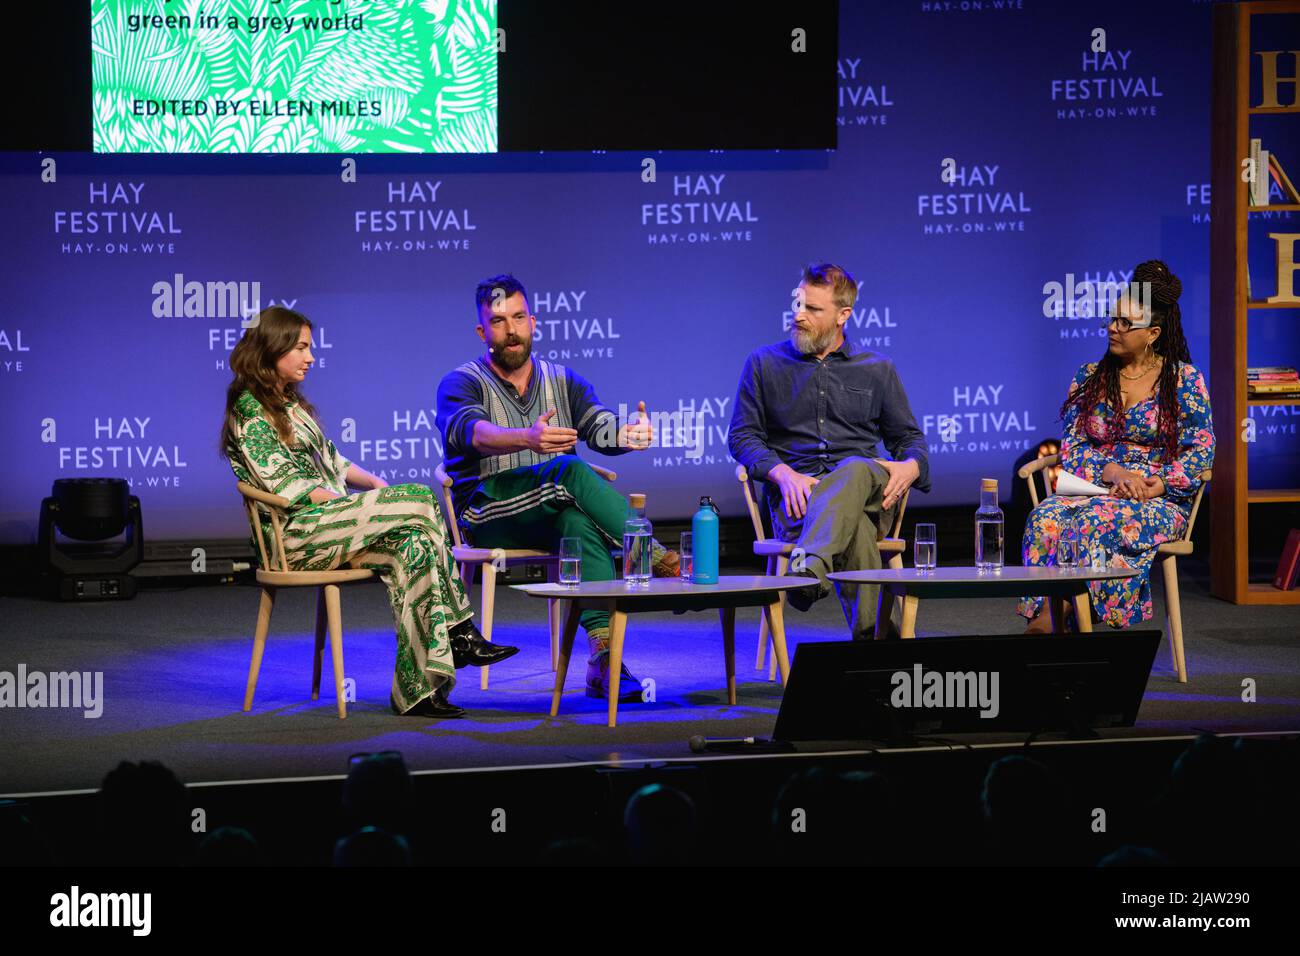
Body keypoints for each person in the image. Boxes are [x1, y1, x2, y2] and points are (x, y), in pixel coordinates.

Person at [220, 306, 514, 719]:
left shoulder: (289, 403)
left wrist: (375, 488)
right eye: (302, 347)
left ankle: (416, 693)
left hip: (330, 526)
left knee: (414, 544)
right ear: (274, 347)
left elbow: (333, 463)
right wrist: (361, 507)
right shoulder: (249, 411)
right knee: (421, 500)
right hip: (296, 536)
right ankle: (460, 629)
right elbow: (291, 489)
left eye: (310, 347)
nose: (311, 357)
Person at [436, 274, 679, 702]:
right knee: (567, 470)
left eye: (517, 318)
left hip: (548, 507)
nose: (510, 330)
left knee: (574, 517)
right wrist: (525, 439)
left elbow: (597, 424)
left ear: (533, 321)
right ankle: (655, 558)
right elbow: (470, 432)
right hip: (487, 511)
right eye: (497, 322)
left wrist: (628, 435)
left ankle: (604, 660)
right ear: (482, 332)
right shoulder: (461, 382)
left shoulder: (562, 379)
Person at [727, 262, 930, 637]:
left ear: (843, 315)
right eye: (799, 304)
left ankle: (809, 568)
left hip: (868, 493)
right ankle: (878, 649)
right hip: (799, 502)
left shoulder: (876, 368)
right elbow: (742, 437)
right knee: (856, 532)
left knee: (854, 468)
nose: (799, 316)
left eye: (812, 309)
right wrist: (782, 474)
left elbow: (910, 440)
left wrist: (911, 466)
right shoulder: (764, 364)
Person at [1019, 260, 1214, 631]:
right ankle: (1059, 612)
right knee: (1043, 518)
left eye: (1125, 323)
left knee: (1094, 523)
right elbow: (1074, 446)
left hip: (1155, 498)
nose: (1113, 328)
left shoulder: (1183, 379)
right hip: (1096, 487)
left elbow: (1202, 449)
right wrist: (1114, 472)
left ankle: (1059, 617)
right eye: (1112, 318)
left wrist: (1160, 483)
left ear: (1153, 332)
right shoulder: (1090, 376)